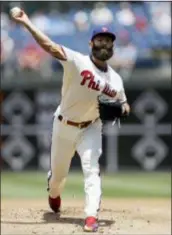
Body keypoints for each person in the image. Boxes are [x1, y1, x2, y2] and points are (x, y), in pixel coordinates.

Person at [11, 9, 130, 232]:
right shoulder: (77, 61)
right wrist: (26, 22)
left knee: (91, 170)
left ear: (113, 47)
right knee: (58, 177)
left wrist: (123, 109)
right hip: (63, 125)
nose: (104, 44)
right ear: (91, 43)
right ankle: (54, 194)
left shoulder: (116, 79)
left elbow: (125, 103)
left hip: (91, 128)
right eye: (100, 40)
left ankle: (91, 216)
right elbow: (50, 47)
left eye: (108, 41)